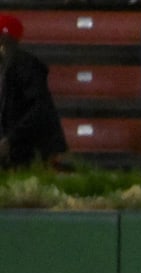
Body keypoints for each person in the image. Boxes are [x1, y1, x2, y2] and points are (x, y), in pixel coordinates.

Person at [0, 14, 67, 168]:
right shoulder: (8, 66)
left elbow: (39, 109)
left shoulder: (25, 65)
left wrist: (10, 140)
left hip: (32, 150)